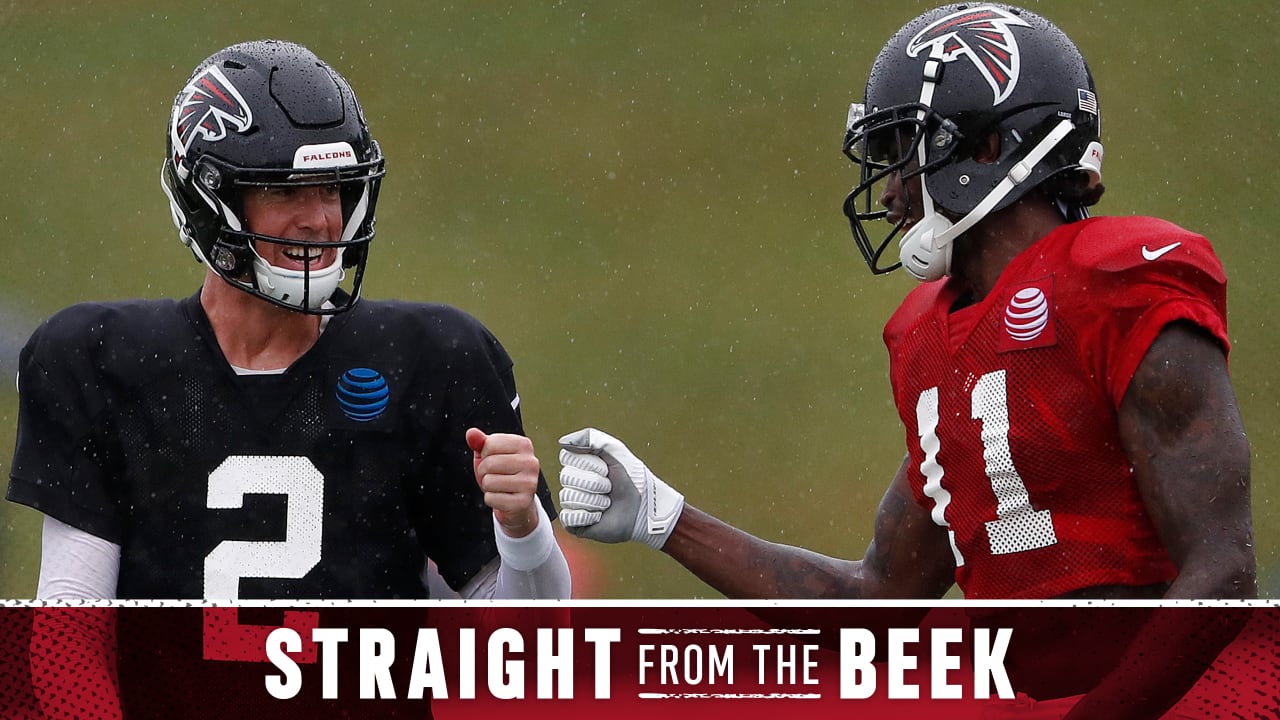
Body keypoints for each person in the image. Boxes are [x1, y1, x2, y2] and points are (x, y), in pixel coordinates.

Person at [557, 4, 1256, 718]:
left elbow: (1222, 575)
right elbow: (876, 603)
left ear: (988, 149)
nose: (890, 191)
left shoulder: (1117, 284)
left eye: (904, 155)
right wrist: (666, 518)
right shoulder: (935, 338)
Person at [6, 39, 571, 602]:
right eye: (283, 190)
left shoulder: (434, 358)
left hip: (359, 695)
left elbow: (528, 650)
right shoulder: (101, 361)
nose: (320, 220)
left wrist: (522, 531)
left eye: (332, 189)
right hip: (163, 697)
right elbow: (68, 630)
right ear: (208, 197)